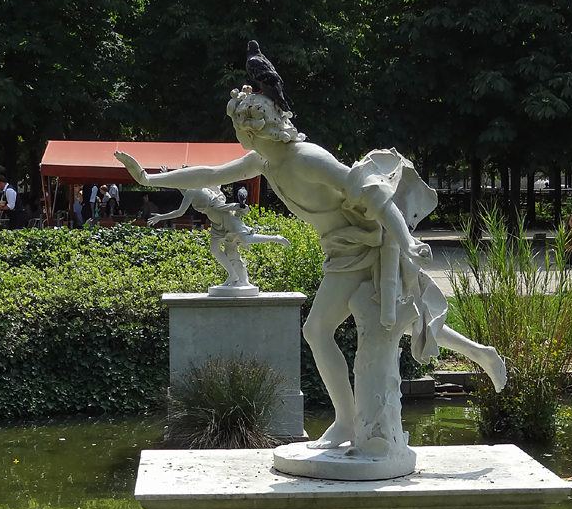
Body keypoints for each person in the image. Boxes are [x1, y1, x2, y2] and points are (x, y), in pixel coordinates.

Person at [115, 86, 506, 461]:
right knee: (396, 323)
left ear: (252, 128)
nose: (235, 133)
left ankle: (350, 422)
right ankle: (475, 357)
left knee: (324, 329)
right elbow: (208, 175)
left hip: (366, 248)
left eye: (237, 126)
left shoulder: (308, 158)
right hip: (340, 253)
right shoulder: (263, 161)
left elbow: (373, 192)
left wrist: (405, 242)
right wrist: (149, 180)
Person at [145, 184, 290, 287]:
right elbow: (180, 187)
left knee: (246, 239)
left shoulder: (195, 189)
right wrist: (169, 179)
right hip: (216, 225)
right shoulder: (190, 190)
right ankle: (233, 275)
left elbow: (179, 212)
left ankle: (275, 238)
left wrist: (161, 217)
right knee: (215, 250)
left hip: (226, 218)